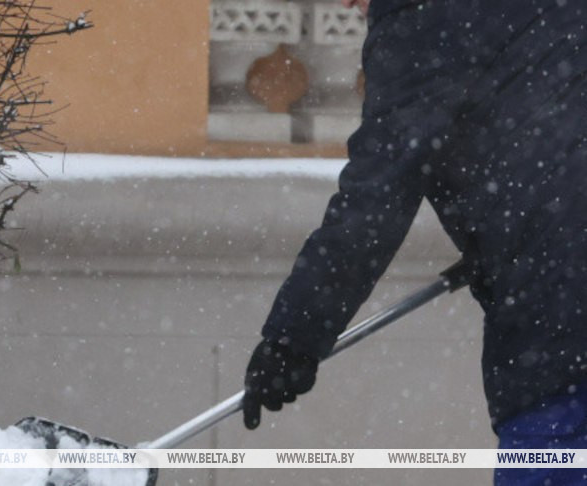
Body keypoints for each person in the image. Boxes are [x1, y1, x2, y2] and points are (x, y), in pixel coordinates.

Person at [243, 0, 587, 483]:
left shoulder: (422, 20)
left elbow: (375, 200)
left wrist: (292, 339)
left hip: (560, 330)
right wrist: (502, 238)